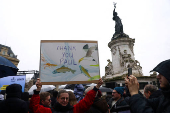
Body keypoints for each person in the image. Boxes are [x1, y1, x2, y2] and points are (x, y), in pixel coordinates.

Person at [30, 78, 103, 113]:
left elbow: (87, 102)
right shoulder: (50, 111)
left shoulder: (74, 110)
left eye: (67, 98)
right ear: (57, 99)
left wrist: (96, 88)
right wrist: (37, 91)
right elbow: (35, 108)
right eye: (63, 98)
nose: (65, 100)